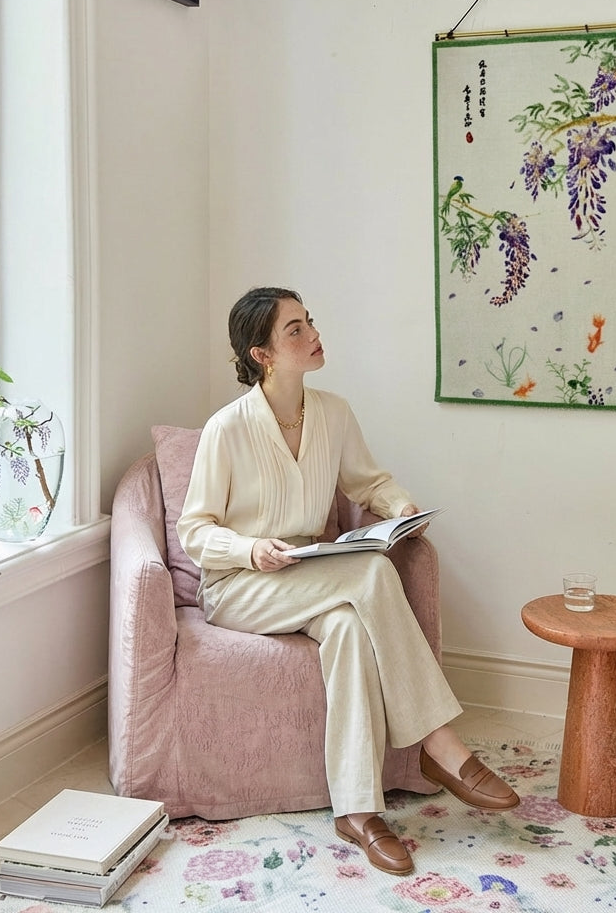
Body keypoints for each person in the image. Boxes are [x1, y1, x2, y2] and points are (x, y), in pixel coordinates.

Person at [176, 287, 519, 877]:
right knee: (369, 572)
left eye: (309, 322)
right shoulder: (225, 429)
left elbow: (368, 482)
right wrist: (250, 548)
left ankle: (358, 811)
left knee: (348, 631)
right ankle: (439, 744)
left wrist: (399, 507)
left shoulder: (333, 412)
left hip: (311, 578)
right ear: (261, 354)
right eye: (294, 330)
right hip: (239, 587)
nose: (312, 334)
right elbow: (193, 529)